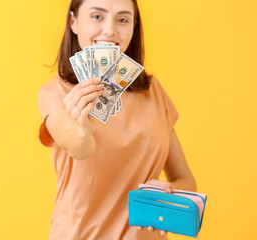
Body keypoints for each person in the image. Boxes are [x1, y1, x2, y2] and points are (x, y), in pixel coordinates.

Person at [37, 0, 197, 239]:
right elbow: (79, 148)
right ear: (73, 22)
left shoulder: (153, 91)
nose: (110, 29)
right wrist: (83, 127)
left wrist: (167, 193)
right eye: (97, 16)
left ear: (133, 26)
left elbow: (186, 181)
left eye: (122, 19)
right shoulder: (55, 94)